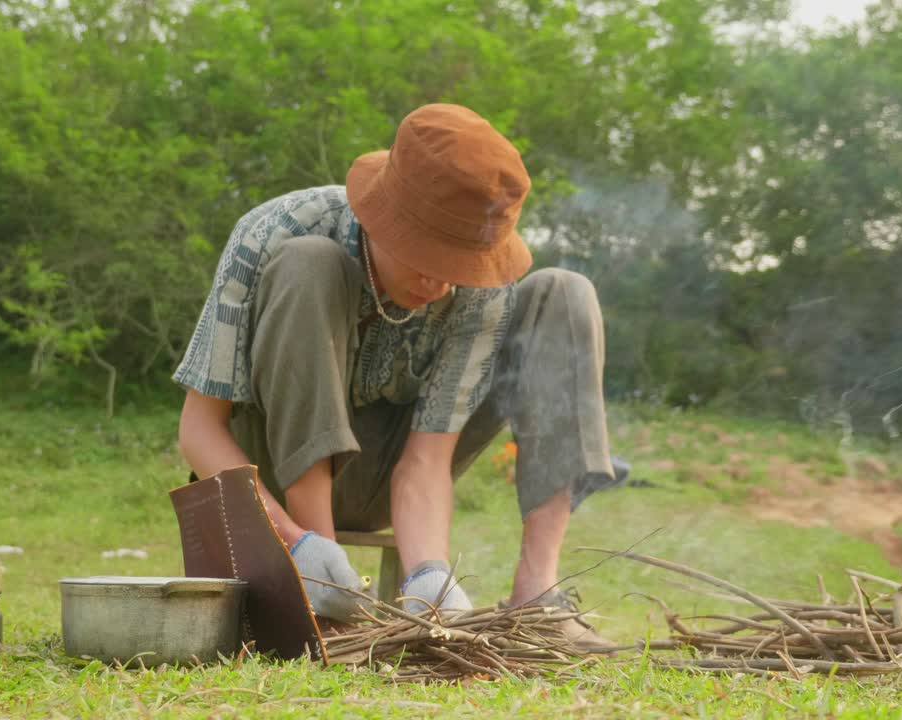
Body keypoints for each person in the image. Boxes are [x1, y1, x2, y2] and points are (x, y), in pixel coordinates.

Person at [174, 103, 627, 652]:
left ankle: (538, 598)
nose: (438, 281)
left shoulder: (480, 284)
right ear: (380, 215)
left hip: (383, 478)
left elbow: (427, 459)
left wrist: (428, 578)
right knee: (308, 263)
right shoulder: (275, 229)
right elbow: (197, 431)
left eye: (457, 264)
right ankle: (319, 580)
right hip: (264, 475)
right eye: (425, 254)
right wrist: (298, 548)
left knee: (564, 292)